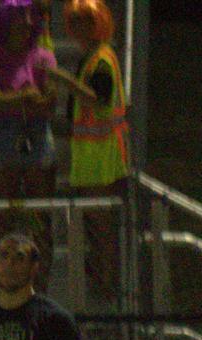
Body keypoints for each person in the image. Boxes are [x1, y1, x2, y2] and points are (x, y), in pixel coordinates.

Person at [46, 0, 126, 309]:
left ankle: (106, 288)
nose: (78, 28)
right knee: (94, 228)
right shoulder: (91, 57)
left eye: (85, 22)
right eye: (75, 22)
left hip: (102, 157)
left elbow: (97, 99)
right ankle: (101, 284)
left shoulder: (102, 59)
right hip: (92, 155)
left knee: (101, 228)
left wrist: (63, 80)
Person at [0, 0, 54, 204]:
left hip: (37, 134)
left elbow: (48, 102)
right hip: (3, 134)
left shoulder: (44, 57)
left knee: (40, 210)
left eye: (30, 16)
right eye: (20, 17)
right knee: (3, 210)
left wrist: (8, 98)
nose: (28, 22)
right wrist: (25, 95)